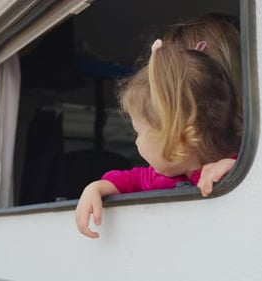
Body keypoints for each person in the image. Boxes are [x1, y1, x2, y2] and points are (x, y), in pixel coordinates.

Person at [76, 36, 240, 239]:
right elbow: (128, 179)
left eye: (138, 132)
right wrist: (96, 188)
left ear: (174, 132)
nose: (136, 141)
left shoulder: (233, 169)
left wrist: (232, 167)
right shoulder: (159, 177)